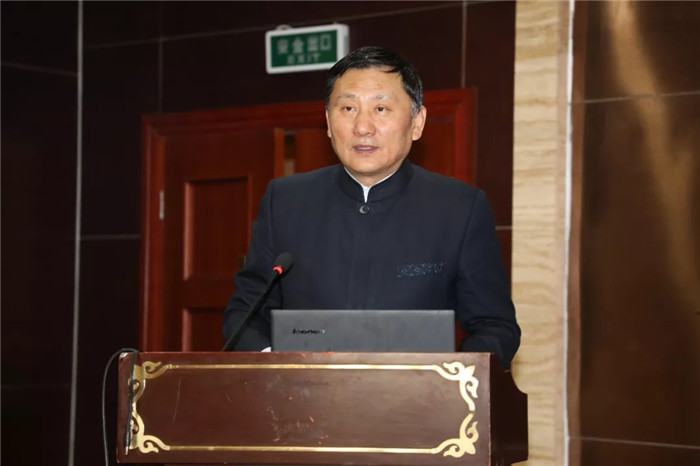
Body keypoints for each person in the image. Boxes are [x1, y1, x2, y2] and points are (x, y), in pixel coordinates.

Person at [222, 46, 520, 368]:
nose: (363, 127)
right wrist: (279, 369)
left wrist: (449, 380)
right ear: (328, 121)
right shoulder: (285, 200)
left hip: (417, 397)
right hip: (301, 394)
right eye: (348, 108)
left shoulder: (459, 208)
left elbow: (495, 327)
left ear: (417, 122)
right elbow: (244, 314)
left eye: (381, 108)